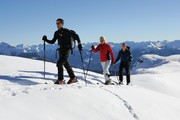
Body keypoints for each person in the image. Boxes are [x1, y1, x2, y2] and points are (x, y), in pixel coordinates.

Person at [42, 18, 83, 85]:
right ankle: (73, 78)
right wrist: (45, 40)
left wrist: (80, 45)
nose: (57, 25)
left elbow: (76, 36)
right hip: (61, 50)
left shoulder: (67, 31)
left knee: (59, 63)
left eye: (58, 23)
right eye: (56, 23)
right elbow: (52, 41)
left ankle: (61, 80)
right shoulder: (56, 32)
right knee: (66, 64)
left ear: (62, 24)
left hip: (67, 50)